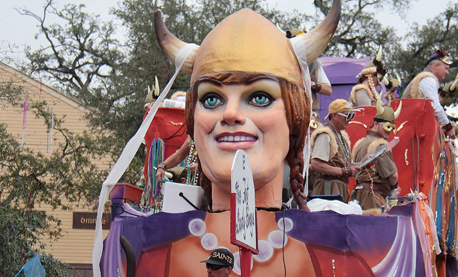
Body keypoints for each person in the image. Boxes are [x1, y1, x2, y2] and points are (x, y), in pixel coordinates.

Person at [155, 0, 339, 212]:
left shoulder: (324, 244)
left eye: (260, 98)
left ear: (295, 118)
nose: (231, 114)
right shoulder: (157, 242)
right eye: (211, 99)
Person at [350, 100, 400, 213]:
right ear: (376, 124)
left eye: (391, 128)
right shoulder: (380, 145)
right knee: (374, 228)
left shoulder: (361, 142)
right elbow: (393, 176)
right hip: (373, 197)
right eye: (386, 127)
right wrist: (393, 187)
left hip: (359, 195)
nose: (389, 131)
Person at [308, 99, 359, 201]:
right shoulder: (325, 135)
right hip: (328, 188)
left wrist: (364, 163)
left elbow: (344, 164)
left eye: (351, 116)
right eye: (347, 116)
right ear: (335, 115)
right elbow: (316, 165)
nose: (349, 120)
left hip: (337, 187)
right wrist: (343, 171)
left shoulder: (340, 136)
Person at [402, 50, 458, 139]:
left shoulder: (425, 79)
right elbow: (434, 106)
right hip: (408, 131)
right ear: (436, 66)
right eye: (446, 68)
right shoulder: (429, 79)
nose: (447, 73)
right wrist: (448, 127)